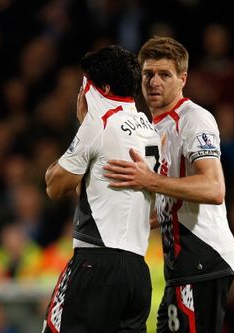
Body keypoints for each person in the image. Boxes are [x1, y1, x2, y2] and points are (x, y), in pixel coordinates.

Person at [104, 36, 234, 333]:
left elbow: (214, 188)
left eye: (164, 74)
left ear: (183, 79)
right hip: (181, 266)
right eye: (148, 74)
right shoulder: (152, 127)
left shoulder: (194, 119)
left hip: (202, 259)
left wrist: (149, 180)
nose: (154, 82)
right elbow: (173, 202)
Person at [42, 45, 161, 333]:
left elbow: (55, 187)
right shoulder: (150, 129)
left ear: (101, 88)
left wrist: (83, 127)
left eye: (85, 84)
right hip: (136, 271)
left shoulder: (98, 125)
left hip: (96, 265)